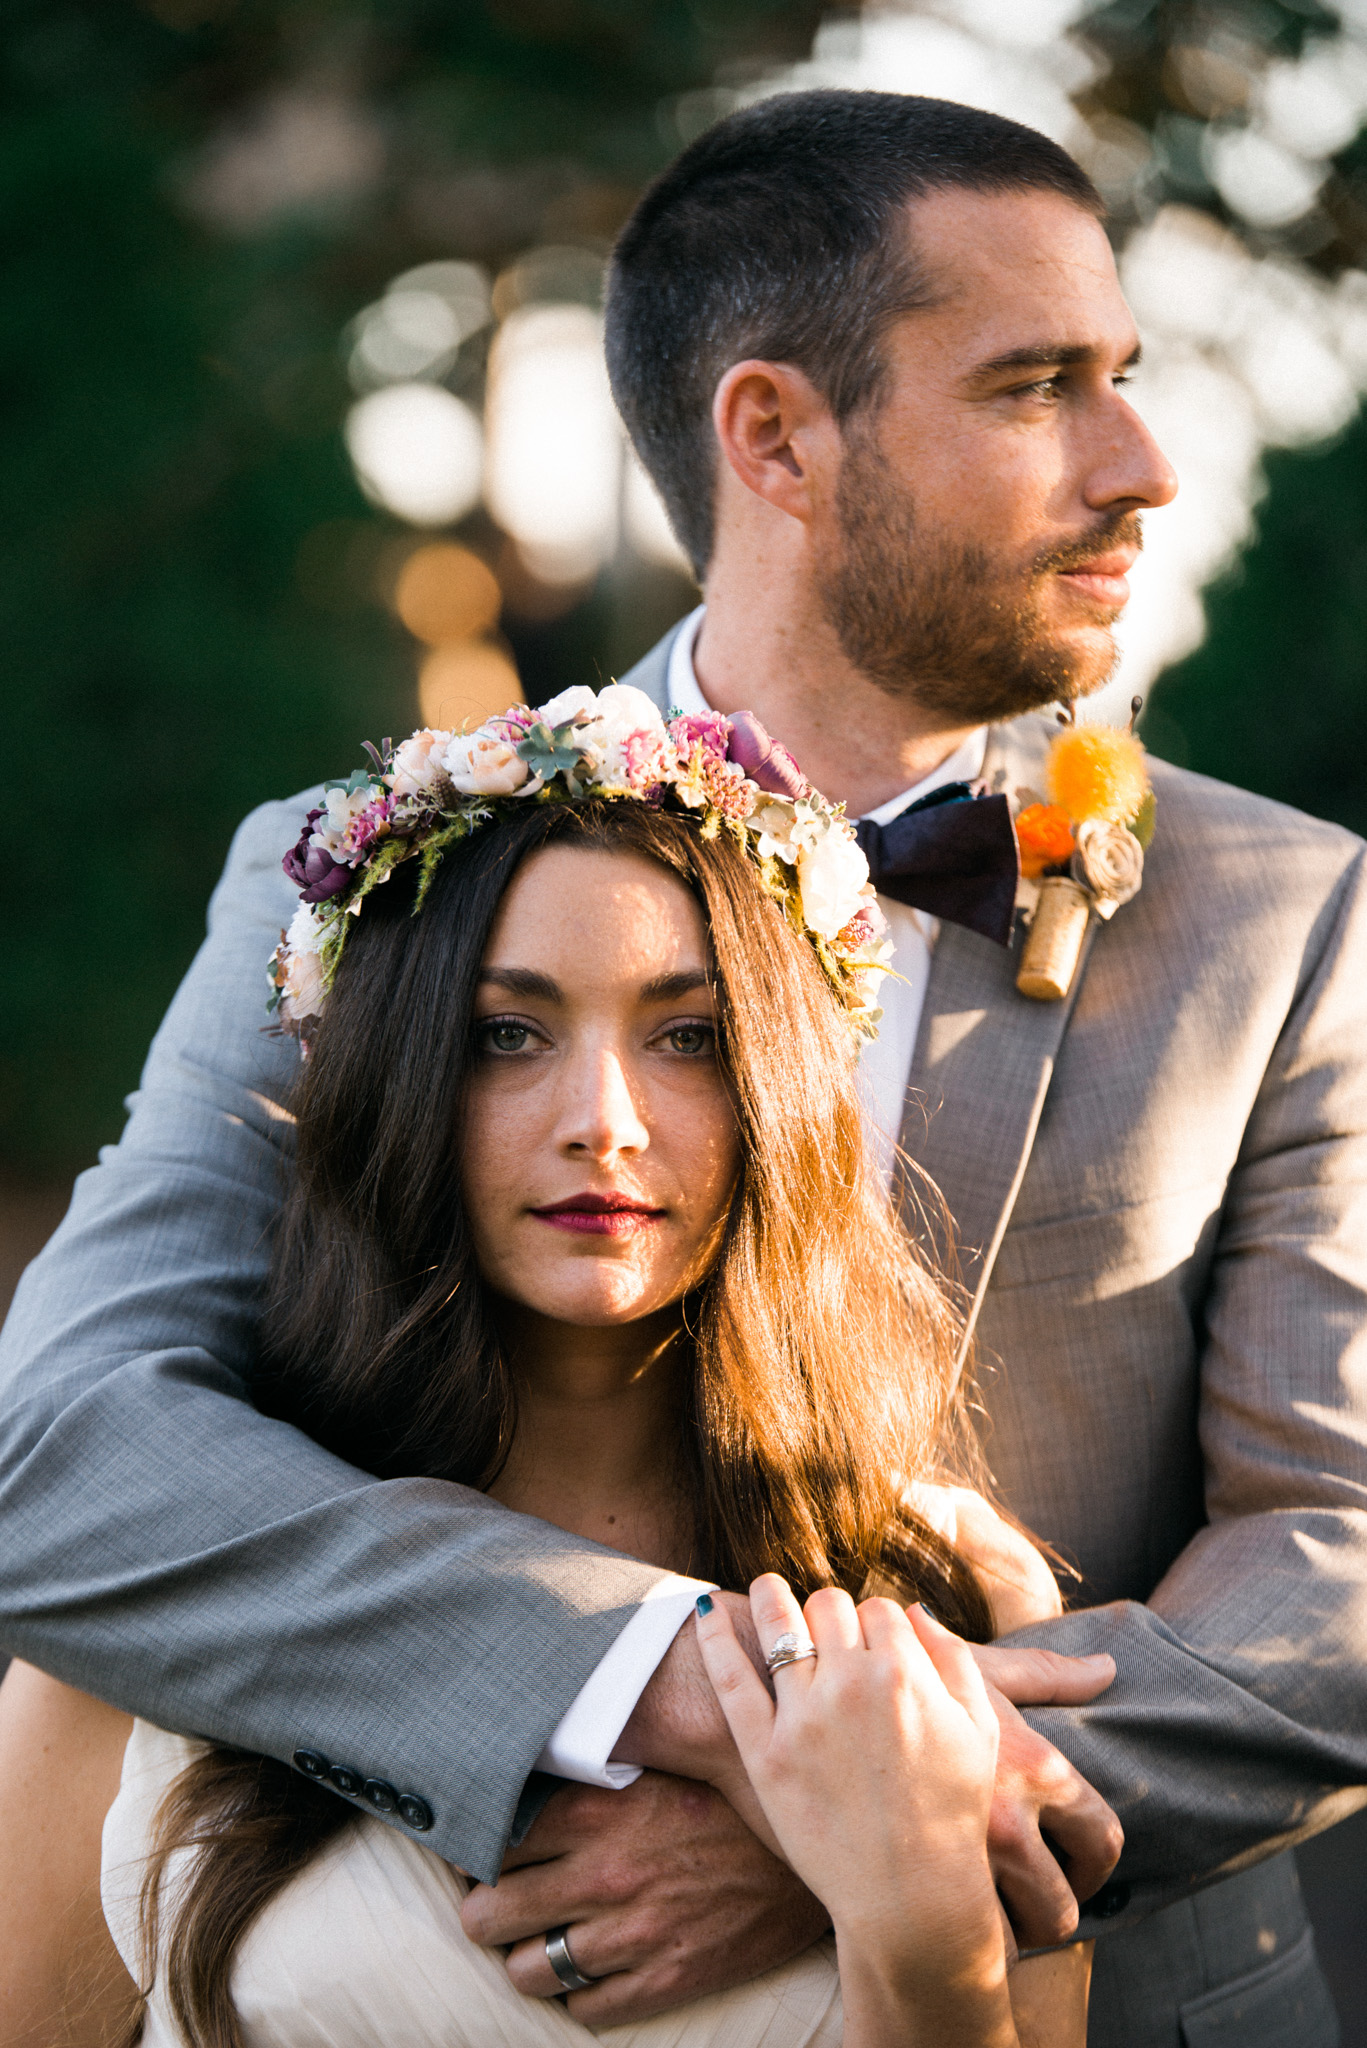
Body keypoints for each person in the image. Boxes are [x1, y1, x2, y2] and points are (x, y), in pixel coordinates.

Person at [0, 87, 1363, 2046]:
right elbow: (68, 1448)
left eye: (1127, 376)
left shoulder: (1296, 921)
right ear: (777, 438)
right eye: (1038, 384)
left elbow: (1342, 1562)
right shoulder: (363, 880)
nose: (1143, 463)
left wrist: (883, 1818)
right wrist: (662, 1696)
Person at [0, 693, 1103, 2045]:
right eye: (507, 1035)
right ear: (401, 1080)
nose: (604, 1124)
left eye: (686, 1035)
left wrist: (911, 1922)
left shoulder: (948, 1599)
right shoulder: (172, 1589)